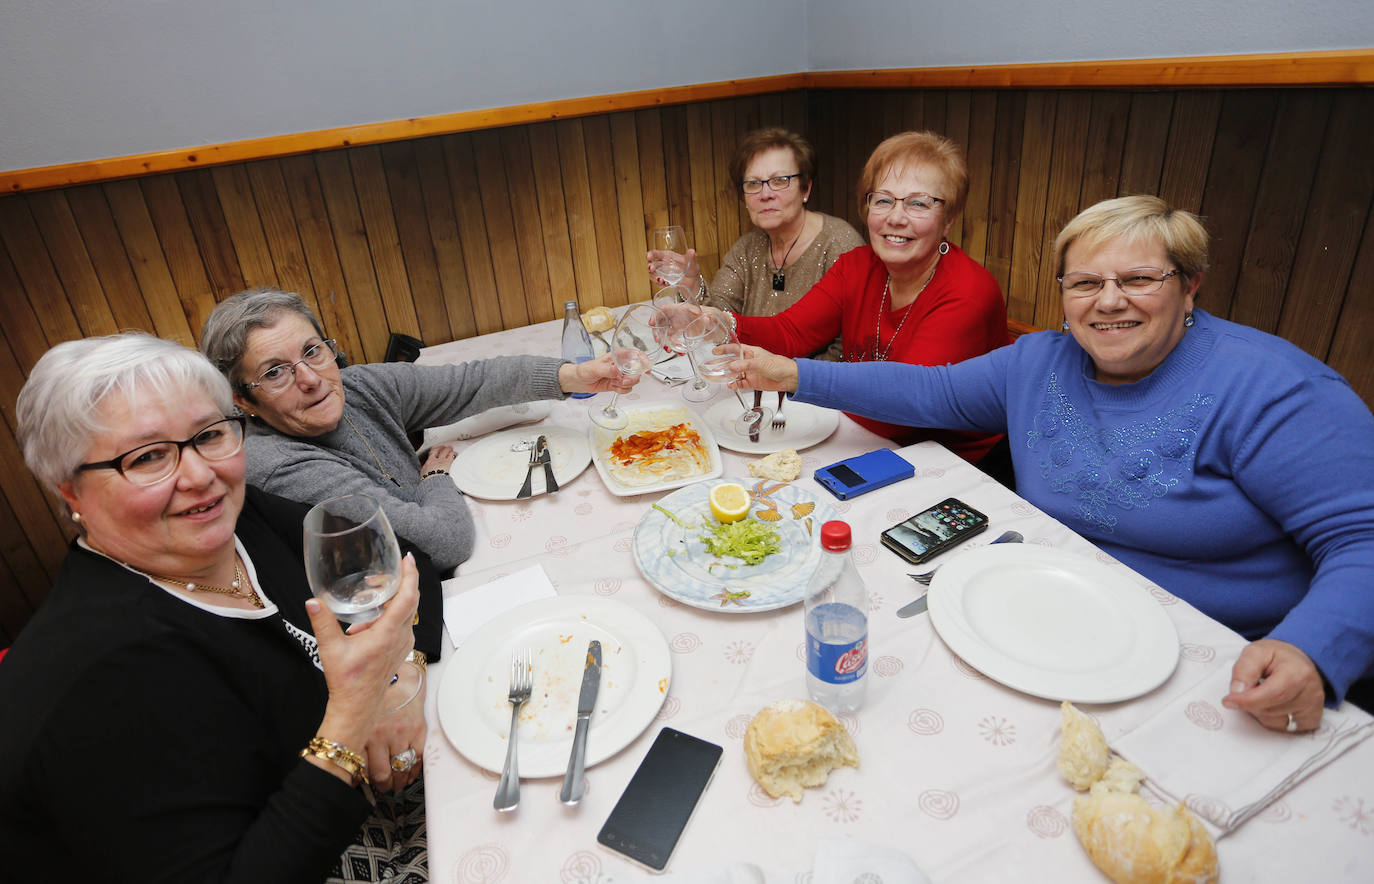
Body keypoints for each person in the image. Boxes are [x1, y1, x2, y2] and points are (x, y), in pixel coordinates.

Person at [730, 195, 1374, 731]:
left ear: (1190, 286)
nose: (1109, 301)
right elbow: (931, 392)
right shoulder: (1039, 361)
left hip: (1210, 659)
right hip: (1041, 616)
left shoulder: (1277, 389)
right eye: (1086, 282)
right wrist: (790, 372)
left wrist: (1313, 650)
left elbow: (1362, 540)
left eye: (1140, 280)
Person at [1, 333, 431, 881]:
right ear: (70, 493)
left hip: (372, 803)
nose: (201, 474)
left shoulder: (234, 522)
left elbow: (395, 554)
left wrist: (402, 678)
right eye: (149, 456)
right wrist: (351, 717)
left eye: (208, 435)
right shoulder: (99, 679)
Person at [201, 288, 637, 571]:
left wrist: (572, 376)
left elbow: (471, 382)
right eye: (276, 372)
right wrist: (435, 477)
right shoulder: (277, 466)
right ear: (242, 400)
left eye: (313, 351)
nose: (311, 378)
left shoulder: (355, 386)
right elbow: (443, 543)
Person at [679, 131, 1010, 469]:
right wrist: (720, 322)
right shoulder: (857, 265)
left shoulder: (968, 293)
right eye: (882, 200)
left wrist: (795, 376)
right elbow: (792, 331)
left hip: (955, 464)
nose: (896, 217)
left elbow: (907, 403)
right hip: (871, 436)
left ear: (949, 218)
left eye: (918, 203)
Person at [647, 127, 864, 360]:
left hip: (804, 388)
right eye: (753, 183)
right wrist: (690, 284)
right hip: (750, 377)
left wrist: (783, 382)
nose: (765, 194)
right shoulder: (748, 247)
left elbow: (849, 349)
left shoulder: (841, 245)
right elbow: (720, 318)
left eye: (780, 180)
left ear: (806, 188)